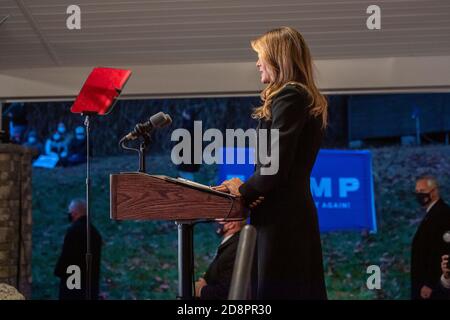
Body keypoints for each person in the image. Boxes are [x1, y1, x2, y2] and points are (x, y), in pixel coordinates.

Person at [215, 27, 328, 300]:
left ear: (278, 58)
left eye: (261, 56)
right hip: (286, 215)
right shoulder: (298, 97)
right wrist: (248, 189)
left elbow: (275, 166)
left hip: (283, 220)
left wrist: (242, 191)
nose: (257, 63)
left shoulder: (290, 95)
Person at [54, 199, 103, 300]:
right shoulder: (95, 233)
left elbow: (67, 258)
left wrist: (59, 271)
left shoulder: (74, 231)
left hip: (73, 283)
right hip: (90, 287)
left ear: (74, 213)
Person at [411, 175, 450, 299]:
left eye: (422, 191)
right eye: (417, 192)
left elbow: (441, 250)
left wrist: (430, 283)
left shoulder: (442, 214)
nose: (419, 195)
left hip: (434, 287)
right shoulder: (432, 213)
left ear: (434, 191)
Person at [195, 220, 244, 300]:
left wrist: (201, 290)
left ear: (231, 224)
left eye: (219, 217)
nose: (214, 220)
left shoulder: (234, 248)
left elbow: (229, 291)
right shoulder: (231, 243)